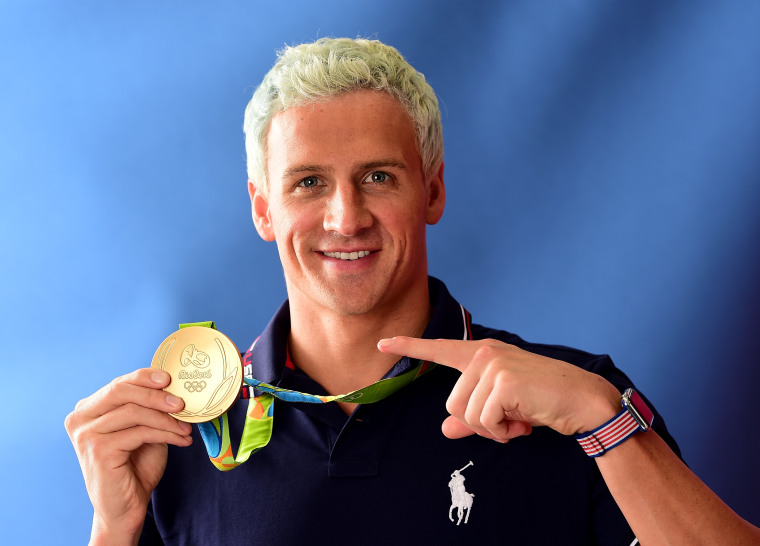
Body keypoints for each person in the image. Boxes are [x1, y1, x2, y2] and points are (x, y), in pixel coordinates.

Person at [65, 38, 760, 545]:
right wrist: (113, 528)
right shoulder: (184, 440)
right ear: (262, 209)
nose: (346, 217)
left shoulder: (578, 403)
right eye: (309, 182)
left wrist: (604, 424)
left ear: (432, 190)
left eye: (378, 177)